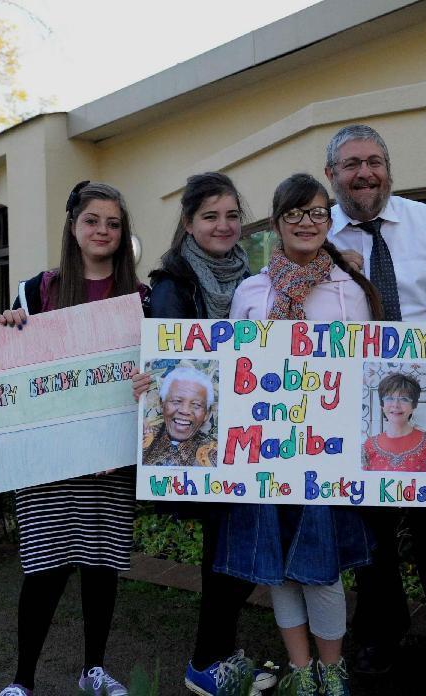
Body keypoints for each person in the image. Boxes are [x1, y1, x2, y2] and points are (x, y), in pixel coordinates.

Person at [215, 172, 426, 696]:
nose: (307, 223)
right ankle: (301, 670)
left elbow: (384, 368)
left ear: (330, 222)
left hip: (328, 456)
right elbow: (224, 370)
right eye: (295, 214)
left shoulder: (351, 290)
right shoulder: (251, 293)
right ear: (277, 224)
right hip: (266, 454)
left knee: (321, 567)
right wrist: (158, 381)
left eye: (317, 213)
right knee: (280, 567)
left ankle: (333, 669)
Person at [325, 124, 426, 690]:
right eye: (350, 164)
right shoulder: (316, 235)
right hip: (353, 398)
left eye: (373, 161)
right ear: (332, 176)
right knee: (369, 529)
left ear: (389, 169)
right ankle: (377, 632)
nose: (364, 172)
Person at [0, 181, 146, 696]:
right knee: (44, 571)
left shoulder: (140, 297)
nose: (103, 231)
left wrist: (151, 381)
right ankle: (22, 679)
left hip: (111, 461)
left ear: (123, 233)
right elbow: (7, 370)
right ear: (74, 227)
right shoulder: (37, 290)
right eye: (93, 221)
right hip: (50, 462)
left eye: (113, 223)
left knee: (101, 568)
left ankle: (94, 669)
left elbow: (153, 372)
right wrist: (10, 325)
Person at [130, 172, 276, 696]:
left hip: (250, 438)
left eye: (233, 215)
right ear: (189, 223)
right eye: (210, 216)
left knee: (240, 551)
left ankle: (221, 653)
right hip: (204, 443)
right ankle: (204, 664)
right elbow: (176, 363)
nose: (223, 225)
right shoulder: (174, 285)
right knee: (227, 556)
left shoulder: (253, 279)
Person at [361, 372, 426, 472]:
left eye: (404, 399)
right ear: (382, 405)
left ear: (413, 406)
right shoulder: (369, 445)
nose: (396, 405)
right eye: (389, 398)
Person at [142, 366, 218, 467]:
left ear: (206, 414)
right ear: (162, 403)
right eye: (176, 401)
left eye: (196, 404)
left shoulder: (215, 454)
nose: (184, 411)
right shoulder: (143, 436)